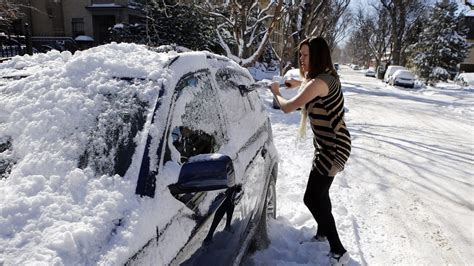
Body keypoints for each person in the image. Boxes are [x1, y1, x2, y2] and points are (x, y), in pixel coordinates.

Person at [269, 37, 351, 266]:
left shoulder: (319, 83)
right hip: (329, 145)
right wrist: (296, 85)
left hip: (333, 148)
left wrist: (275, 91)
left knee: (312, 197)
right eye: (300, 55)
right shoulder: (323, 77)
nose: (301, 60)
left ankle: (338, 249)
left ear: (317, 56)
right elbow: (308, 83)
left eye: (305, 55)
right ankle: (323, 234)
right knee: (320, 195)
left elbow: (286, 107)